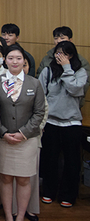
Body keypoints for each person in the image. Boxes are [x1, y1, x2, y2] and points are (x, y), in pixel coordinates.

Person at [0, 44, 45, 221]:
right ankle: (8, 215)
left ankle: (20, 216)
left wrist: (24, 133)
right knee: (5, 178)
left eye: (19, 58)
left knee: (23, 179)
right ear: (5, 60)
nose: (15, 61)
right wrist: (3, 132)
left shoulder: (34, 83)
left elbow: (39, 113)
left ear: (24, 61)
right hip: (4, 139)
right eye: (11, 58)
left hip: (27, 140)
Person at [39, 40, 88, 208]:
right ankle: (48, 192)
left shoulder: (80, 72)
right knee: (50, 159)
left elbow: (75, 89)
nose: (60, 57)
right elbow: (40, 96)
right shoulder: (47, 71)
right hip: (51, 121)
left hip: (71, 123)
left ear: (71, 55)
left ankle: (68, 195)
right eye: (58, 53)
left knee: (72, 162)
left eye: (65, 54)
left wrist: (67, 68)